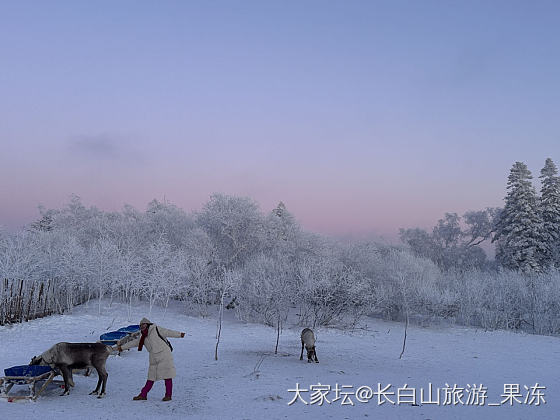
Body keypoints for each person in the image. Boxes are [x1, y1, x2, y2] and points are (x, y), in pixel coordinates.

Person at [118, 317, 185, 401]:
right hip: (153, 357)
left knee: (167, 375)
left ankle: (168, 395)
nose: (142, 326)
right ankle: (143, 395)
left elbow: (168, 332)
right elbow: (135, 343)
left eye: (144, 324)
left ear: (148, 324)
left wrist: (179, 334)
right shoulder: (143, 336)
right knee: (151, 376)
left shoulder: (156, 329)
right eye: (141, 325)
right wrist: (122, 347)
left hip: (164, 354)